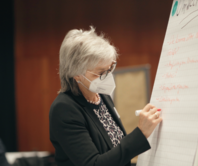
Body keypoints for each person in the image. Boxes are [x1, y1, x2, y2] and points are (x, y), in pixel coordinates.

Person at [49, 27, 163, 166]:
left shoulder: (101, 95)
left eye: (110, 69)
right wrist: (140, 133)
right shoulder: (64, 109)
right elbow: (94, 163)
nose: (108, 77)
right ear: (77, 74)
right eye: (101, 72)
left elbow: (116, 148)